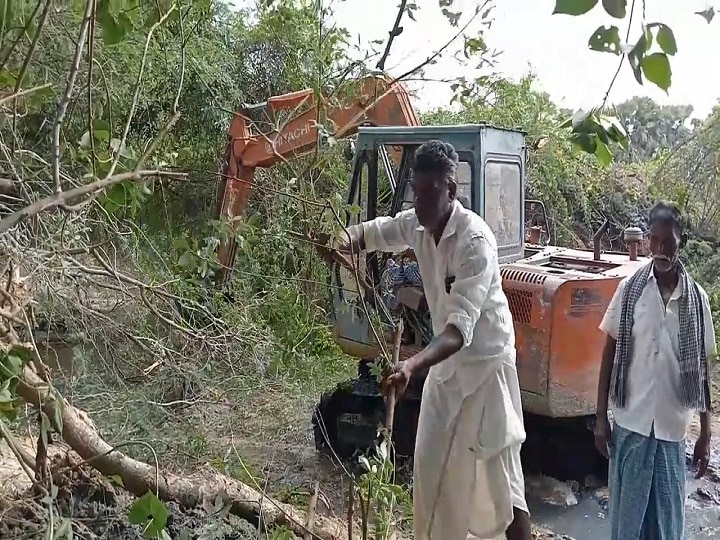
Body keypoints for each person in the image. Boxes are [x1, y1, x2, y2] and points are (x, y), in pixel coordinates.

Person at [337, 140, 531, 540]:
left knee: (501, 480)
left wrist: (410, 364)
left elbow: (460, 331)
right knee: (430, 467)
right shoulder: (418, 224)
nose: (420, 201)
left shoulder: (475, 242)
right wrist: (343, 241)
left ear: (452, 190)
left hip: (485, 366)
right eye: (416, 190)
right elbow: (379, 231)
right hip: (444, 369)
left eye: (431, 191)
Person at [594, 201, 717, 540]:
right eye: (655, 240)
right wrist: (601, 416)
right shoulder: (630, 290)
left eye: (669, 242)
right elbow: (609, 351)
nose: (660, 249)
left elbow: (702, 370)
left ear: (683, 242)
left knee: (666, 524)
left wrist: (705, 431)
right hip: (631, 423)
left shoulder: (697, 300)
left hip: (672, 428)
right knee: (627, 524)